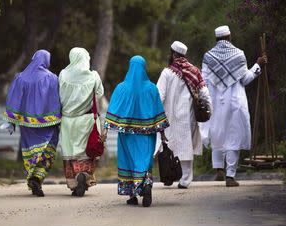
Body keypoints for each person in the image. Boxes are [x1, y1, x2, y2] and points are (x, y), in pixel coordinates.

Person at [199, 25, 267, 187]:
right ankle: (230, 176)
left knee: (217, 132)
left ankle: (218, 170)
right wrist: (258, 66)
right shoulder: (238, 54)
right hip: (235, 102)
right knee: (233, 135)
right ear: (229, 37)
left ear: (217, 39)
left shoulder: (208, 57)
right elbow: (245, 79)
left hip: (214, 102)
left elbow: (204, 81)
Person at [102, 56, 169, 207]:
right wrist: (163, 134)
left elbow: (112, 109)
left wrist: (105, 130)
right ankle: (146, 185)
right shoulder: (151, 88)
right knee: (144, 162)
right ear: (144, 68)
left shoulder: (121, 88)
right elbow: (158, 111)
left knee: (128, 161)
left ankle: (132, 195)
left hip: (126, 135)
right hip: (147, 136)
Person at [3, 49, 61, 197]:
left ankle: (32, 177)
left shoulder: (20, 78)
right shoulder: (53, 78)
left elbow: (14, 99)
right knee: (46, 152)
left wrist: (11, 120)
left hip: (27, 125)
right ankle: (38, 178)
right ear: (47, 60)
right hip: (48, 124)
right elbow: (58, 100)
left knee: (31, 151)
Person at [156, 41, 212, 189]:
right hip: (188, 117)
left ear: (173, 54)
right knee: (185, 146)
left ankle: (169, 174)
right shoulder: (194, 71)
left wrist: (155, 112)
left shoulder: (167, 73)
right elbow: (204, 92)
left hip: (170, 116)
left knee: (169, 145)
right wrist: (209, 109)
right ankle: (185, 179)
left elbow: (159, 96)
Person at [59, 47, 104, 197]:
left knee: (70, 152)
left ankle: (73, 183)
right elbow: (99, 94)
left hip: (67, 121)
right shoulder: (94, 76)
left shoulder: (63, 75)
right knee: (86, 151)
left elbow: (58, 96)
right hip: (86, 120)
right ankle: (84, 175)